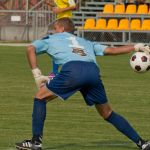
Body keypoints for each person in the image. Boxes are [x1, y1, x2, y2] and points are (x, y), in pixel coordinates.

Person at [15, 17, 150, 150]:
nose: (54, 31)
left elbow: (30, 48)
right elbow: (111, 50)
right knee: (107, 113)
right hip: (93, 72)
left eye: (55, 28)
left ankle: (36, 142)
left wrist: (37, 74)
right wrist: (136, 46)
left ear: (61, 29)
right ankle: (142, 143)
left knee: (40, 98)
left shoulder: (52, 39)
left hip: (73, 71)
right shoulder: (85, 41)